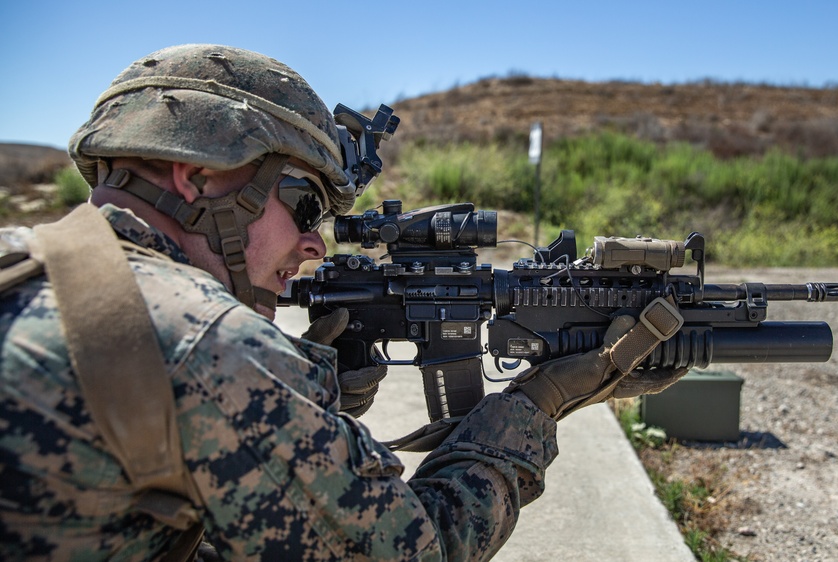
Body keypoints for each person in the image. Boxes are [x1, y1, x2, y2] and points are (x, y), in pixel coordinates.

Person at [0, 44, 687, 561]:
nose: (313, 245)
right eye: (303, 205)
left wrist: (318, 404)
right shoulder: (210, 346)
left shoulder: (22, 263)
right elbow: (414, 550)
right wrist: (534, 409)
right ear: (199, 176)